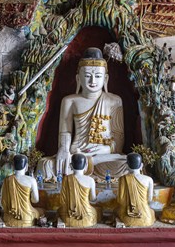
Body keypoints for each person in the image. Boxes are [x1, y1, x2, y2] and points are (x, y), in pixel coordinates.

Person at [37, 47, 128, 181]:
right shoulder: (70, 101)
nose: (92, 80)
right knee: (44, 165)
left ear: (105, 79)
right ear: (78, 78)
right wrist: (63, 149)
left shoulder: (114, 100)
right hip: (76, 153)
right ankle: (84, 167)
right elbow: (65, 131)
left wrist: (102, 151)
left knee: (126, 164)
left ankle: (84, 168)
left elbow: (118, 137)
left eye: (98, 76)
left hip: (103, 156)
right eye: (87, 75)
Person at [0, 154, 43, 227]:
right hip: (27, 217)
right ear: (26, 167)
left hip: (9, 217)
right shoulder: (31, 180)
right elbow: (35, 200)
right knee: (42, 211)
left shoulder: (7, 180)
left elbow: (2, 202)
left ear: (13, 166)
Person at [58, 153, 98, 227]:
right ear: (86, 166)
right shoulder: (90, 180)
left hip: (68, 215)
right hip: (87, 215)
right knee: (97, 211)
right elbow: (93, 199)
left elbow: (62, 200)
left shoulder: (66, 179)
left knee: (59, 211)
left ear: (70, 165)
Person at [115, 153, 155, 227]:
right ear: (141, 165)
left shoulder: (122, 179)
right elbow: (150, 199)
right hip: (146, 217)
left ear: (126, 166)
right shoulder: (149, 179)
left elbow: (120, 200)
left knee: (115, 211)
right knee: (152, 212)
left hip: (126, 216)